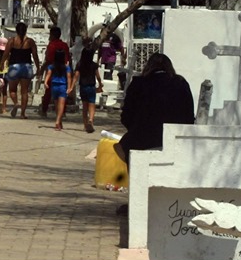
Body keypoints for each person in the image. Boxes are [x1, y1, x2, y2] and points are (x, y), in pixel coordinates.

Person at [114, 53, 194, 215]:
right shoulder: (180, 83)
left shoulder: (139, 84)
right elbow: (189, 116)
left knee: (127, 148)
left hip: (143, 138)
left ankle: (136, 203)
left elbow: (126, 116)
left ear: (148, 67)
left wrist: (137, 128)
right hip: (174, 140)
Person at [2, 22, 40, 119]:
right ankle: (23, 113)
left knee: (12, 90)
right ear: (26, 30)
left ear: (16, 30)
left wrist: (1, 63)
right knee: (24, 92)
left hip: (14, 67)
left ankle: (16, 103)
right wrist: (38, 68)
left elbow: (6, 54)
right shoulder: (30, 42)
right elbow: (35, 56)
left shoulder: (12, 41)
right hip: (26, 67)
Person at [38, 26, 70, 117]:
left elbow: (48, 59)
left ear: (52, 35)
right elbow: (68, 59)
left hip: (53, 69)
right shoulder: (64, 45)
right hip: (63, 69)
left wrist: (42, 69)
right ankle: (63, 112)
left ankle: (44, 110)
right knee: (63, 91)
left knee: (48, 91)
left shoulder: (51, 45)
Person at [73, 43, 103, 133]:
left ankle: (85, 125)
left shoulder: (79, 64)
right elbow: (98, 76)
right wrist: (100, 84)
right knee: (92, 104)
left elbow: (76, 76)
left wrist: (71, 86)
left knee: (85, 106)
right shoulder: (94, 65)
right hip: (91, 87)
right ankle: (91, 120)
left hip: (83, 87)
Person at [43, 50, 73, 130]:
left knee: (57, 105)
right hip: (62, 86)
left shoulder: (52, 66)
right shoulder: (66, 67)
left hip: (54, 86)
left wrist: (45, 82)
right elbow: (69, 77)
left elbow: (48, 74)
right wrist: (69, 87)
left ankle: (59, 122)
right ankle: (57, 121)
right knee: (61, 105)